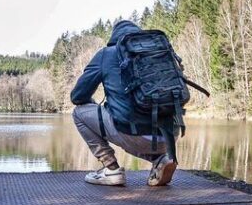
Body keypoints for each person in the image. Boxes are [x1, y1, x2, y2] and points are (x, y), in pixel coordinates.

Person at [70, 20, 178, 187]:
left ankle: (111, 169)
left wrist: (93, 104)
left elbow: (77, 96)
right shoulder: (160, 54)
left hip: (132, 132)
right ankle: (159, 159)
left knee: (79, 113)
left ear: (114, 37)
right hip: (170, 135)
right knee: (135, 126)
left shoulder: (107, 54)